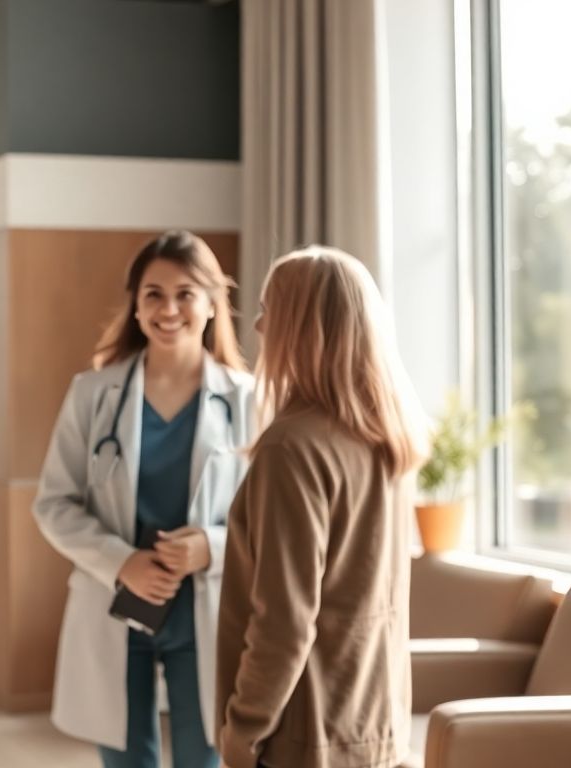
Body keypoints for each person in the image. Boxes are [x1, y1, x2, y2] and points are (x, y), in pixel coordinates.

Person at [34, 231, 256, 768]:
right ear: (135, 305)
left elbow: (268, 522)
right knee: (127, 760)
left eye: (185, 293)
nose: (169, 308)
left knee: (202, 757)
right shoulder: (92, 393)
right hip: (117, 601)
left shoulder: (248, 399)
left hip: (203, 607)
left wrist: (212, 546)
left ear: (210, 303)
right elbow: (54, 503)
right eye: (153, 293)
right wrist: (122, 562)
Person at [215, 246, 429, 768]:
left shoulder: (291, 449)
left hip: (303, 735)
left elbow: (285, 621)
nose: (259, 326)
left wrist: (243, 731)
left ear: (303, 326)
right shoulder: (386, 441)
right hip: (376, 725)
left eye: (271, 309)